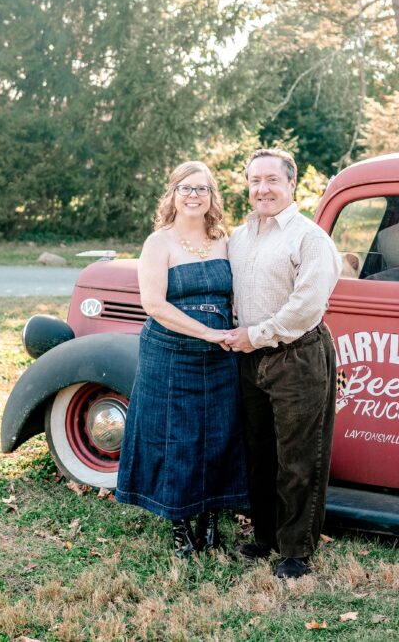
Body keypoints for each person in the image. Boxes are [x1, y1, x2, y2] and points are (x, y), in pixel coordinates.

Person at [116, 161, 249, 558]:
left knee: (217, 436)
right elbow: (154, 303)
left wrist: (236, 324)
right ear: (173, 195)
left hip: (219, 356)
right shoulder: (159, 243)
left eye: (202, 189)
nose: (194, 196)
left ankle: (209, 518)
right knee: (176, 438)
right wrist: (207, 331)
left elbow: (234, 293)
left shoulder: (224, 239)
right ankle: (179, 524)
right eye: (186, 188)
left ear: (212, 198)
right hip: (170, 354)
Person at [225, 148, 342, 579]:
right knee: (259, 453)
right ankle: (265, 536)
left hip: (298, 356)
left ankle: (296, 550)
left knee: (299, 456)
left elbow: (305, 307)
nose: (263, 189)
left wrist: (252, 335)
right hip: (249, 358)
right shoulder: (239, 238)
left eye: (272, 180)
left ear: (292, 184)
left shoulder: (310, 239)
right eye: (255, 180)